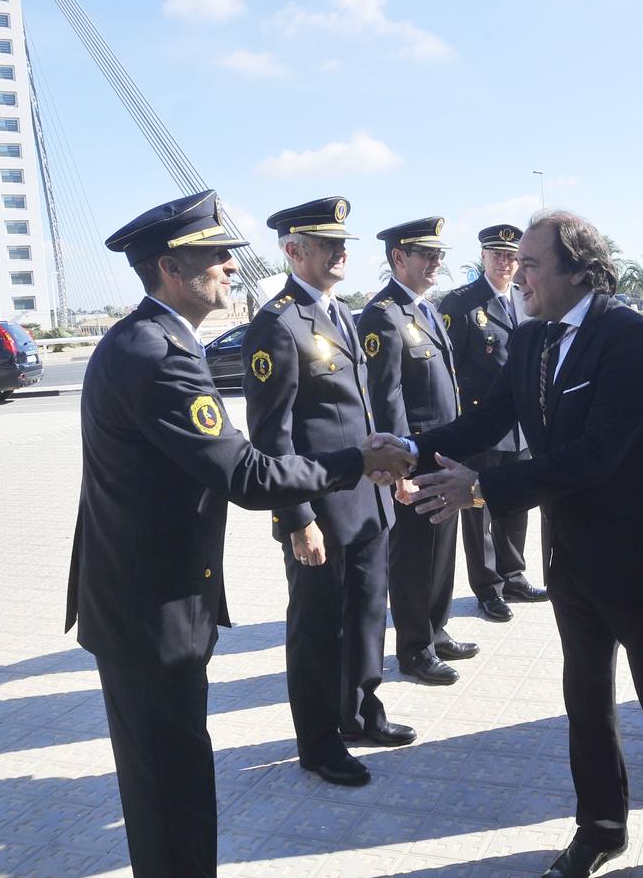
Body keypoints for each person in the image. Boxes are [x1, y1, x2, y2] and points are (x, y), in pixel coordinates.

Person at [67, 190, 414, 877]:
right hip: (150, 607)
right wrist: (357, 463)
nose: (231, 266)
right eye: (214, 256)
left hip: (145, 598)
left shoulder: (151, 340)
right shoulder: (158, 353)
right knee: (172, 785)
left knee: (171, 780)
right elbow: (246, 474)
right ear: (171, 268)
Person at [401, 211, 643, 878]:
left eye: (530, 264)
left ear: (579, 272)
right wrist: (414, 449)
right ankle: (600, 828)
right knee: (585, 703)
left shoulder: (629, 337)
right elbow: (494, 416)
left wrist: (482, 490)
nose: (516, 275)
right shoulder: (531, 339)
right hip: (573, 558)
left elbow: (594, 457)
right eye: (517, 263)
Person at [241, 197, 415, 790]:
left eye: (345, 243)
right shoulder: (278, 323)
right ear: (293, 250)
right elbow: (272, 436)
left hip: (367, 499)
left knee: (368, 615)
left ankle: (363, 713)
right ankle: (318, 745)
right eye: (328, 244)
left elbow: (362, 410)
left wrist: (391, 469)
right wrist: (297, 520)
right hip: (318, 509)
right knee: (317, 630)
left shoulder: (343, 314)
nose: (343, 253)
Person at [356, 216, 478, 685]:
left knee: (442, 548)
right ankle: (414, 648)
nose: (436, 263)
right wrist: (399, 469)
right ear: (398, 258)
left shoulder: (424, 311)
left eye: (439, 255)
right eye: (426, 255)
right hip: (414, 457)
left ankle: (436, 627)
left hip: (442, 454)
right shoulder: (383, 315)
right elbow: (387, 400)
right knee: (414, 555)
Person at [438, 224, 549, 622]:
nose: (506, 262)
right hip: (481, 424)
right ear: (482, 257)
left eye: (511, 255)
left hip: (520, 424)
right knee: (478, 507)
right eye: (497, 254)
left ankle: (514, 573)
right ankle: (488, 586)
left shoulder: (525, 297)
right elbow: (448, 370)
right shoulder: (462, 303)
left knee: (515, 502)